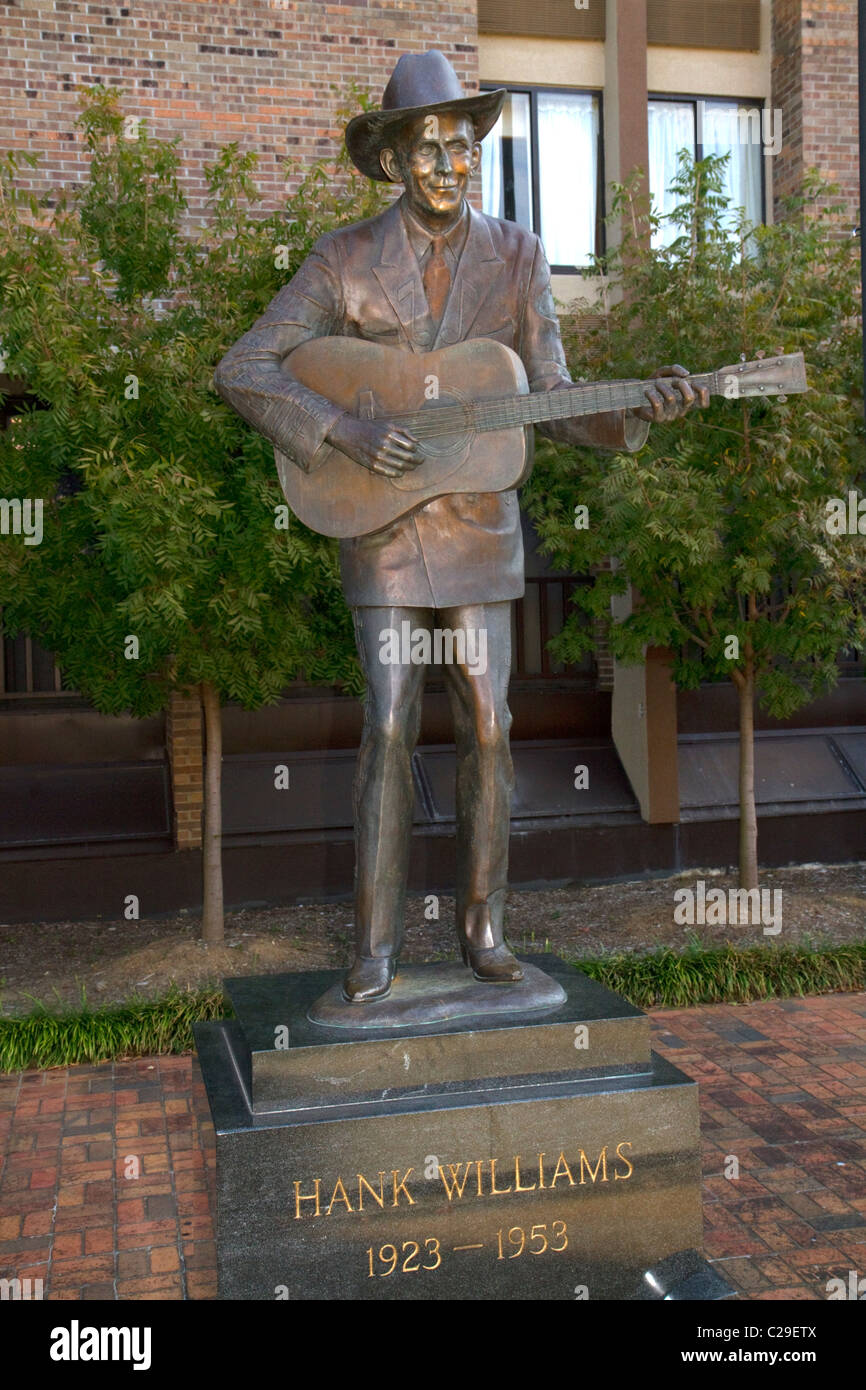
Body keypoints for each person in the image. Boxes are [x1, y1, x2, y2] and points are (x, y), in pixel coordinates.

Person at [214, 50, 707, 1004]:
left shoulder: (518, 257)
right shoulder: (342, 260)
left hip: (481, 525)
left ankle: (484, 927)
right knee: (391, 720)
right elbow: (247, 368)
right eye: (429, 148)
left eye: (463, 145)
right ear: (393, 161)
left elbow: (554, 398)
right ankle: (375, 944)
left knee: (489, 724)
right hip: (384, 530)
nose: (449, 165)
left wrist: (638, 409)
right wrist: (346, 429)